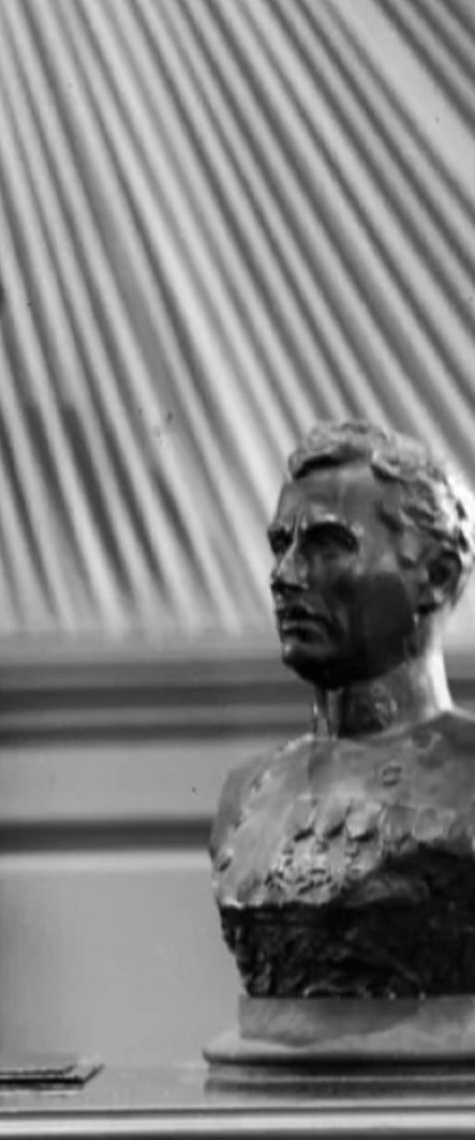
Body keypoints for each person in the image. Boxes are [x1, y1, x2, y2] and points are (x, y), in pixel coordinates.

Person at [213, 421, 475, 998]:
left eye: (328, 545)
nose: (284, 577)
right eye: (281, 545)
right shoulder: (247, 794)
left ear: (436, 576)